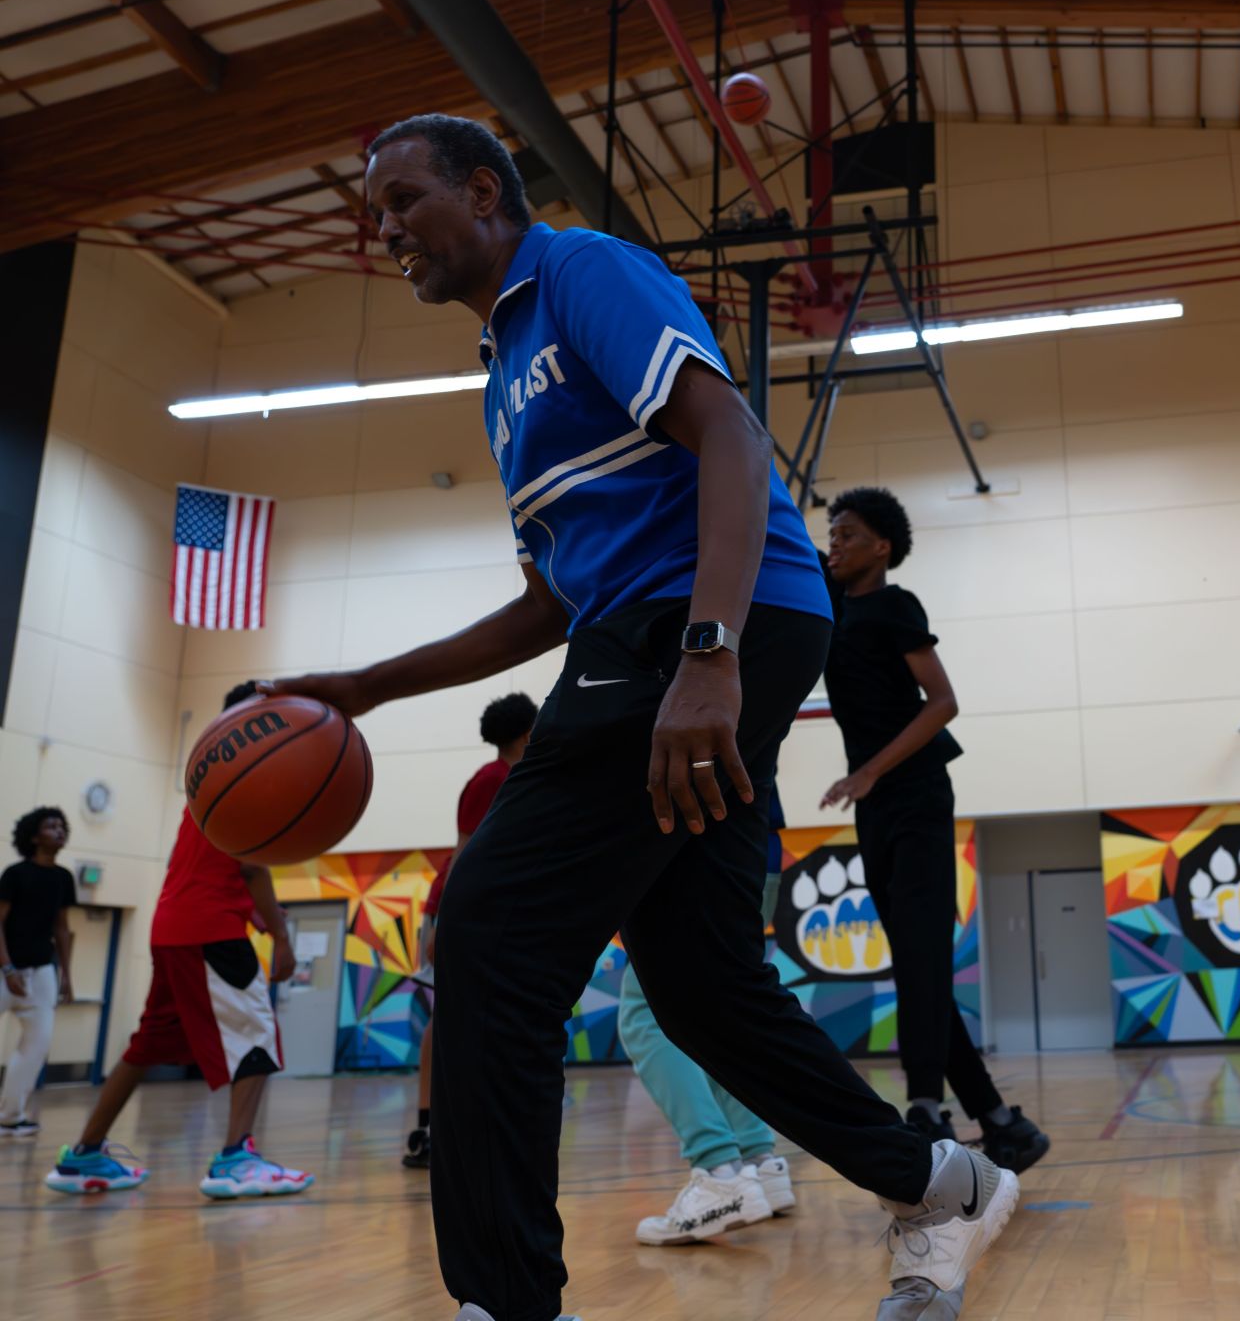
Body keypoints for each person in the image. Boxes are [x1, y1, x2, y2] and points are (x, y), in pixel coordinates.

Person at [270, 115, 1017, 1321]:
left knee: (491, 931)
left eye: (405, 199)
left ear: (483, 189)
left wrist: (709, 655)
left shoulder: (580, 271)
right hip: (658, 632)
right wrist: (362, 688)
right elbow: (547, 604)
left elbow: (727, 428)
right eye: (378, 212)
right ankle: (940, 1182)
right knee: (702, 980)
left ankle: (507, 1302)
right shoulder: (504, 382)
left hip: (702, 622)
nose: (388, 227)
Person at [821, 488, 1050, 1174]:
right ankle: (1002, 1124)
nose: (835, 544)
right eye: (831, 534)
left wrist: (871, 771)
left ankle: (925, 1106)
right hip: (874, 802)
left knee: (923, 960)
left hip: (916, 793)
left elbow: (943, 702)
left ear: (881, 547)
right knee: (915, 966)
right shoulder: (831, 611)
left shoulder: (895, 605)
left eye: (848, 535)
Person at [45, 682, 312, 1198]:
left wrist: (256, 917)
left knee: (148, 1044)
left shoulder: (205, 782)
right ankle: (237, 1160)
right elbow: (252, 866)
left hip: (172, 927)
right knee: (256, 1033)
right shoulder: (253, 773)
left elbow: (203, 868)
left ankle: (84, 1154)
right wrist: (280, 936)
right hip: (209, 930)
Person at [617, 782, 794, 1245]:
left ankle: (719, 1171)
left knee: (644, 1014)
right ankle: (759, 1164)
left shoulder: (676, 708)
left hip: (689, 844)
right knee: (712, 1012)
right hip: (755, 845)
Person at [407, 691, 538, 1170]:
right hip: (455, 909)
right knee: (448, 1018)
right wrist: (442, 923)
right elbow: (463, 851)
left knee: (473, 1017)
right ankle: (426, 1128)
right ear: (527, 733)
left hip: (478, 912)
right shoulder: (491, 779)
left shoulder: (517, 777)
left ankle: (467, 1122)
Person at [1, 807, 76, 1139]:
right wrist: (7, 968)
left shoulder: (63, 878)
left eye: (62, 826)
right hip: (4, 968)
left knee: (36, 1044)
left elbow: (62, 929)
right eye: (51, 825)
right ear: (33, 836)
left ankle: (10, 1116)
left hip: (42, 971)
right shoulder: (15, 874)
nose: (59, 830)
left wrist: (66, 976)